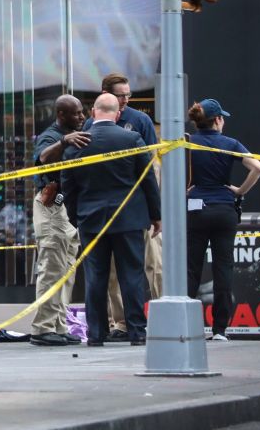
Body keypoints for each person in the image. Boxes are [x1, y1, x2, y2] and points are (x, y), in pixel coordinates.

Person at [61, 93, 161, 346]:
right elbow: (148, 180)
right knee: (132, 276)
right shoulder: (132, 139)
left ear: (94, 113)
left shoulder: (77, 145)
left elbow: (68, 186)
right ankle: (137, 332)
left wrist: (76, 217)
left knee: (95, 278)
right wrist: (155, 215)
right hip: (129, 219)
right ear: (117, 115)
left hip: (91, 219)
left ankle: (96, 334)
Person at [186, 99, 260, 342]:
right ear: (217, 120)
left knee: (191, 269)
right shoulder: (230, 144)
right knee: (223, 268)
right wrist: (240, 191)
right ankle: (220, 329)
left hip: (196, 209)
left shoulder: (188, 142)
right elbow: (258, 168)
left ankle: (188, 327)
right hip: (224, 209)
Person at [29, 95, 90, 346]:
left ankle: (58, 325)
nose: (82, 117)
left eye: (82, 112)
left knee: (66, 270)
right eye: (76, 113)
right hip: (50, 205)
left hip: (65, 207)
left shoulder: (79, 134)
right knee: (52, 267)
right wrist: (64, 141)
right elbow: (43, 158)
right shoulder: (52, 135)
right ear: (61, 115)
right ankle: (43, 328)